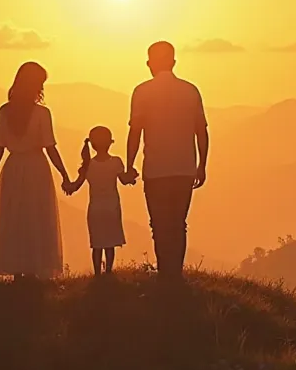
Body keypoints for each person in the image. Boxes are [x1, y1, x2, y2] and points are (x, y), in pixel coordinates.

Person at [126, 41, 209, 279]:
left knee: (159, 225)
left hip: (155, 169)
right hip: (184, 168)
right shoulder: (190, 90)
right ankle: (176, 273)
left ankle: (165, 273)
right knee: (179, 224)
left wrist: (130, 165)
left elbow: (135, 131)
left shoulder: (142, 91)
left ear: (149, 63)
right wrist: (201, 165)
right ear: (173, 62)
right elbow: (201, 131)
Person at [0, 62, 69, 280]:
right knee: (36, 217)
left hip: (12, 168)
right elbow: (50, 147)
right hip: (36, 168)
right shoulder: (42, 113)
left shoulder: (5, 111)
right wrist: (65, 175)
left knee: (14, 218)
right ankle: (33, 267)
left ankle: (17, 269)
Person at [65, 126, 136, 275]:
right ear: (110, 143)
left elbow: (75, 186)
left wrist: (67, 184)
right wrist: (133, 176)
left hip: (95, 209)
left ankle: (97, 273)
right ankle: (108, 272)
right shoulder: (116, 162)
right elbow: (124, 180)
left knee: (97, 245)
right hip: (112, 208)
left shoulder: (88, 165)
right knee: (109, 245)